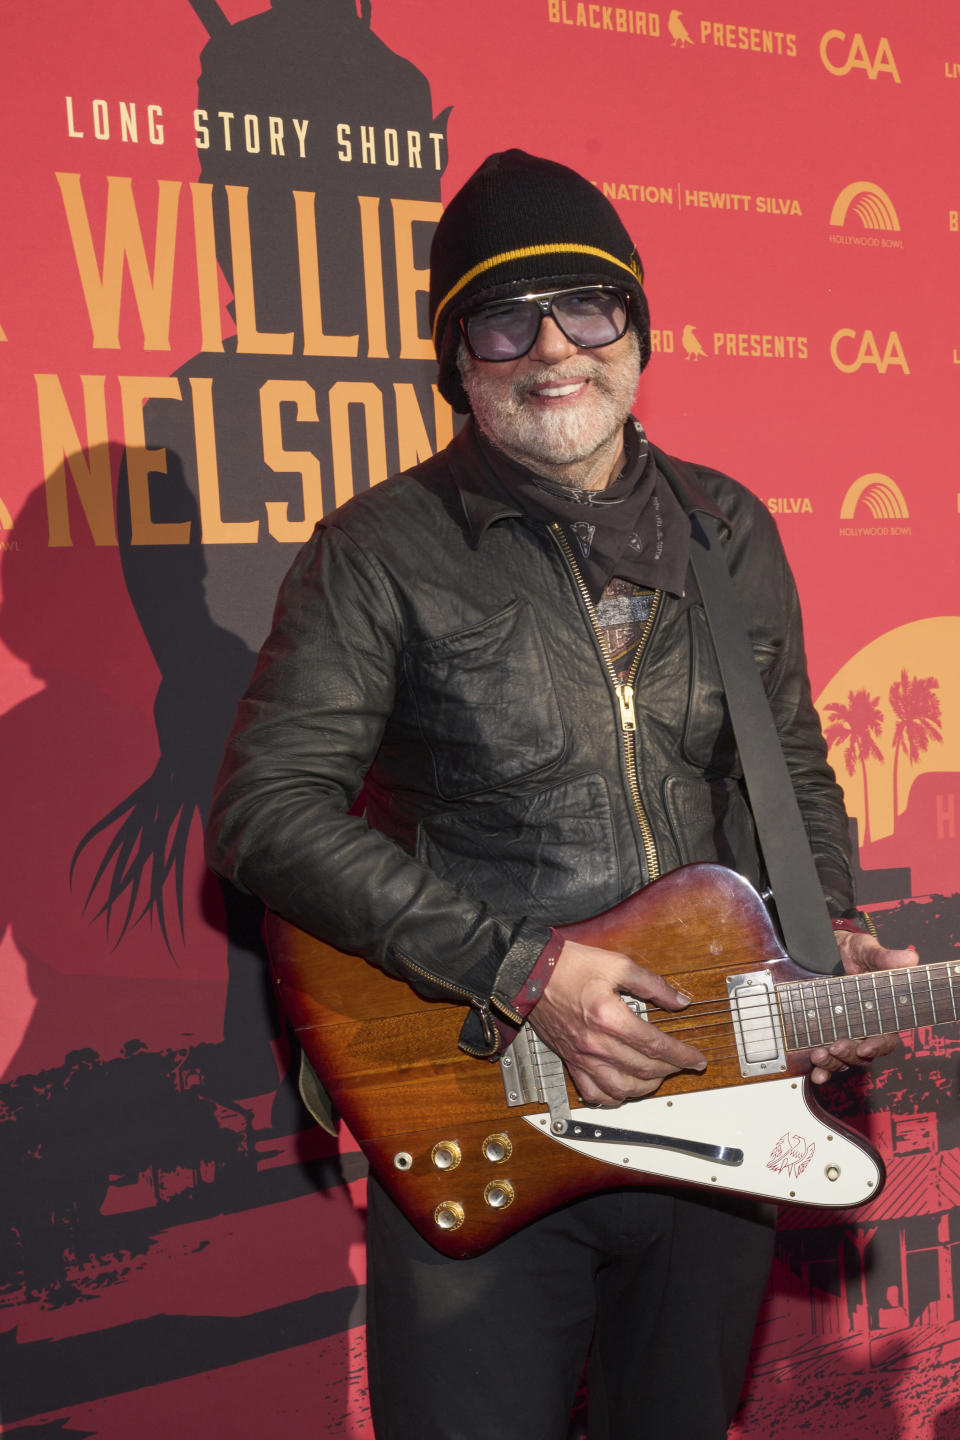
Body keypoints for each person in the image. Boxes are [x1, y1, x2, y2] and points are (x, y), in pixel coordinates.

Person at [205, 150, 915, 1440]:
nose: (552, 350)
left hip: (717, 1102)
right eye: (503, 318)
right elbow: (267, 810)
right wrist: (526, 968)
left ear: (638, 331)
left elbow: (790, 765)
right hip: (489, 1093)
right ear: (456, 360)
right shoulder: (380, 550)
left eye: (586, 308)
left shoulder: (730, 529)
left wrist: (827, 939)